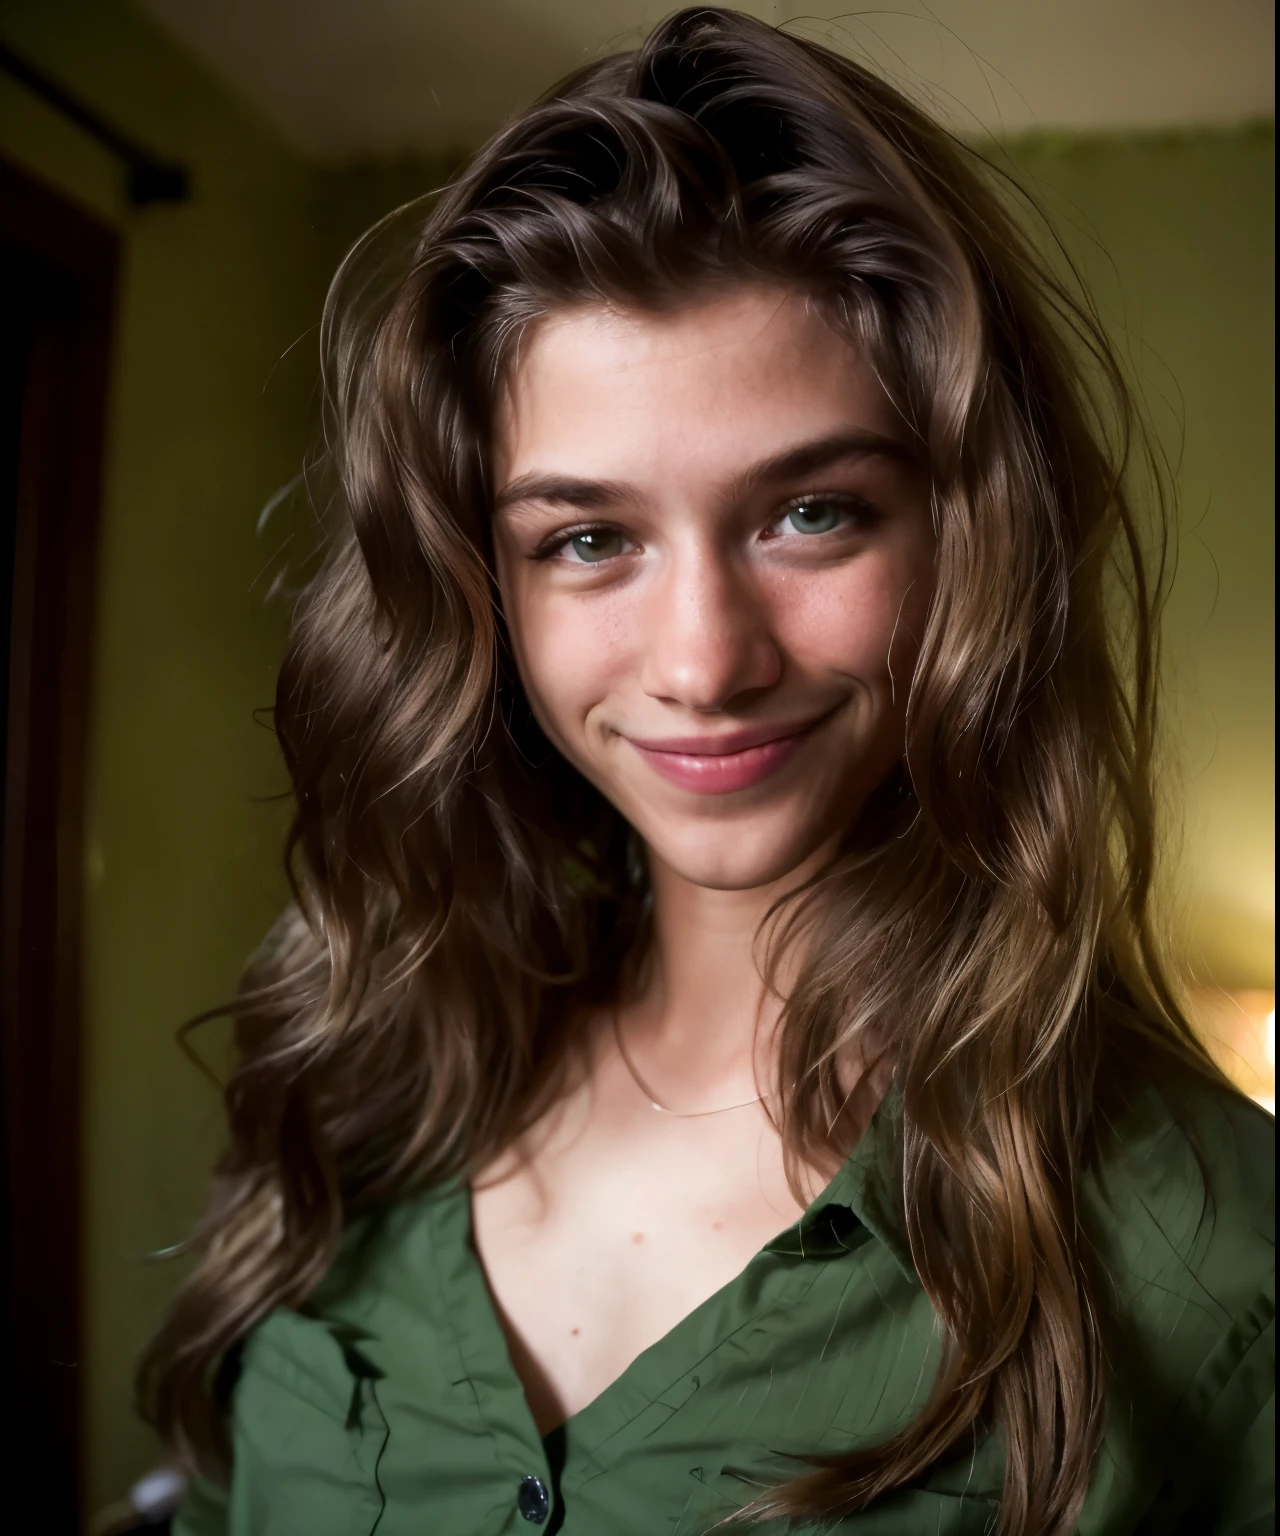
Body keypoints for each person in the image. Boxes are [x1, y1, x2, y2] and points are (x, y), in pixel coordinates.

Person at [143, 10, 1274, 1535]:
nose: (703, 659)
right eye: (588, 540)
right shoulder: (364, 1101)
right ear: (485, 587)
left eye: (809, 514)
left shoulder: (1212, 1253)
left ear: (973, 538)